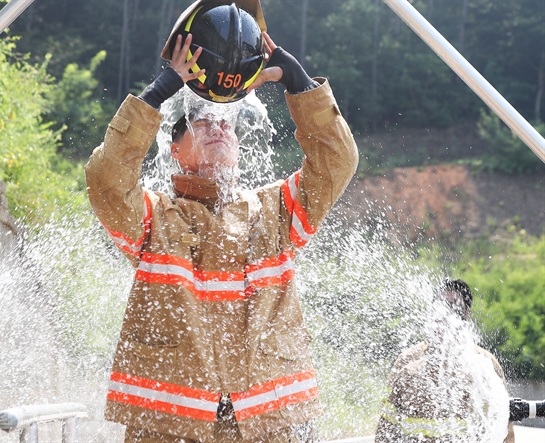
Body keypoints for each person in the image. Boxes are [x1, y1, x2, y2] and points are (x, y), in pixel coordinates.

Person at [84, 1, 358, 441]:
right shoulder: (153, 219)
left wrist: (300, 84)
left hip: (268, 421)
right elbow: (105, 180)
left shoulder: (276, 212)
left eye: (225, 125)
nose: (217, 127)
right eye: (200, 121)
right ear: (175, 149)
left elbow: (338, 162)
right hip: (172, 423)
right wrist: (160, 91)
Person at [374, 279, 515, 443]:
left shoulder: (485, 363)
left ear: (467, 312)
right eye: (441, 304)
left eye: (453, 304)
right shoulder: (408, 360)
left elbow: (504, 424)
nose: (447, 311)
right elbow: (387, 423)